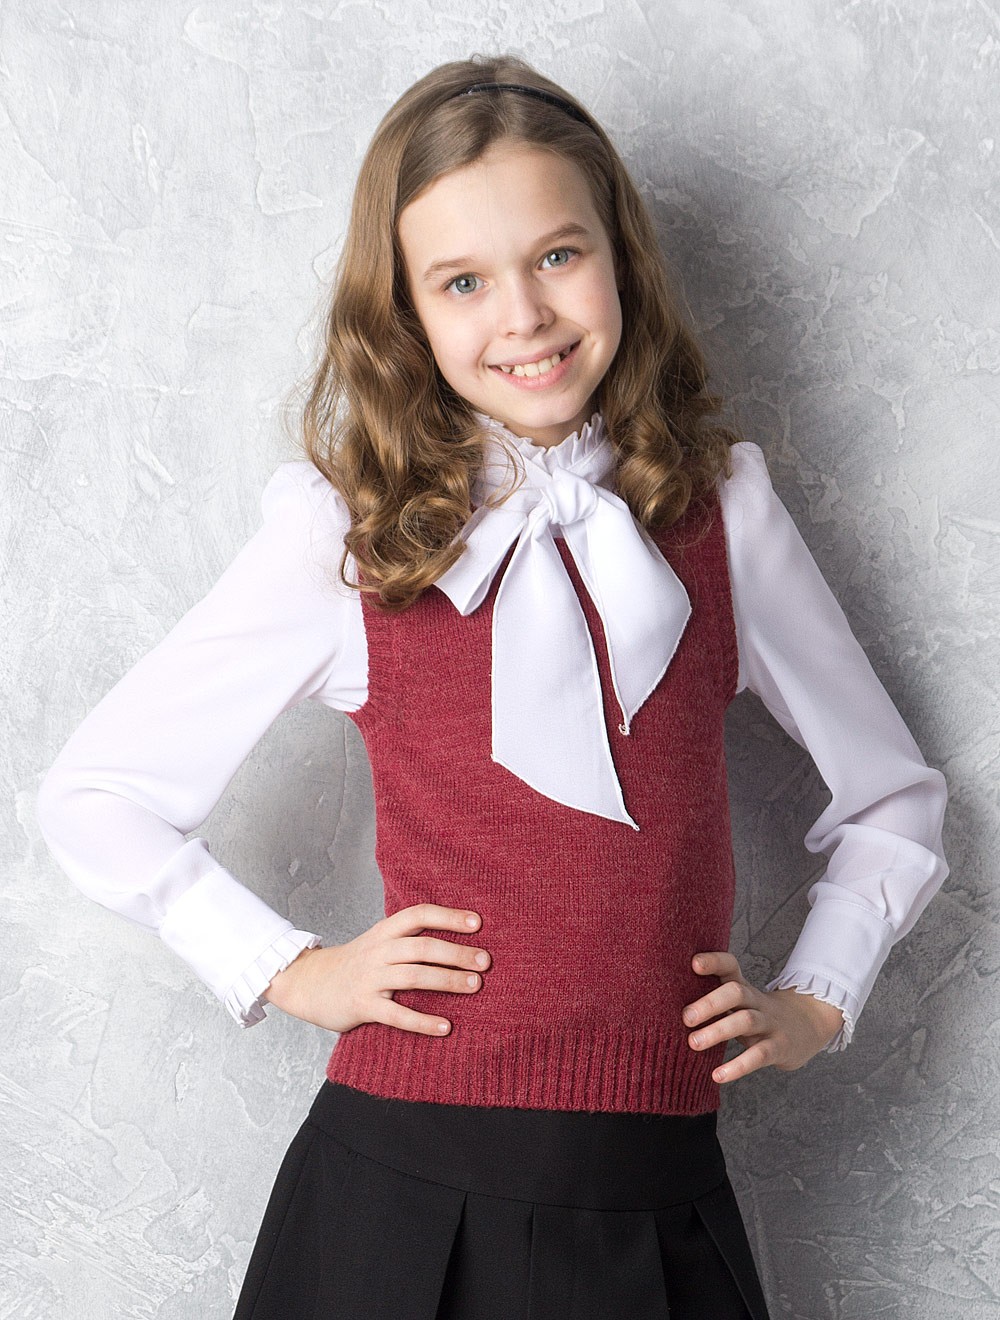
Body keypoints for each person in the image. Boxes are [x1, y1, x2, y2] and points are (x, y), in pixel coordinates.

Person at [35, 54, 948, 1320]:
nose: (522, 315)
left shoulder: (719, 517)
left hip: (657, 1192)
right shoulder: (350, 538)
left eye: (557, 256)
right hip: (396, 1192)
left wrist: (815, 997)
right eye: (462, 281)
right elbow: (95, 794)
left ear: (620, 259)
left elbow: (894, 800)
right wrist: (289, 968)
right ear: (405, 313)